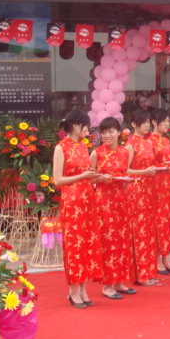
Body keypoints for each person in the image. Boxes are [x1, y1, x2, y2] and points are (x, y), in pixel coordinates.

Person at [53, 110, 103, 308]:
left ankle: (83, 288)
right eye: (85, 126)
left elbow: (86, 173)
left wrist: (96, 176)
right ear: (75, 126)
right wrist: (83, 177)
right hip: (72, 202)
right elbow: (58, 180)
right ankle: (73, 290)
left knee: (88, 244)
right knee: (74, 244)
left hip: (87, 200)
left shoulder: (83, 146)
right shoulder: (61, 148)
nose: (87, 130)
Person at [90, 117, 136, 299]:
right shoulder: (97, 153)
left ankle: (119, 281)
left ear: (119, 132)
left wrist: (129, 180)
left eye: (111, 131)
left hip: (121, 200)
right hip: (103, 202)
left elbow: (126, 173)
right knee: (108, 242)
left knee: (122, 240)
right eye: (104, 132)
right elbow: (88, 178)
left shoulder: (125, 152)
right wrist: (101, 178)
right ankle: (107, 285)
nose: (107, 135)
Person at [125, 109, 159, 286]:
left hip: (148, 190)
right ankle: (140, 274)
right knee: (139, 232)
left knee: (148, 231)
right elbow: (124, 169)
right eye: (143, 122)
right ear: (133, 124)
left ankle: (148, 271)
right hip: (136, 191)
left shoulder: (147, 142)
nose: (147, 125)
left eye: (148, 122)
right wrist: (143, 172)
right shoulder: (131, 144)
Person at [147, 108, 170, 275]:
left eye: (168, 120)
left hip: (167, 183)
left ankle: (166, 256)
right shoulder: (149, 141)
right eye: (164, 121)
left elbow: (169, 160)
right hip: (155, 183)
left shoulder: (166, 140)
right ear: (154, 122)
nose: (167, 124)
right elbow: (147, 164)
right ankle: (156, 258)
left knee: (168, 218)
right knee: (157, 218)